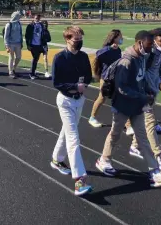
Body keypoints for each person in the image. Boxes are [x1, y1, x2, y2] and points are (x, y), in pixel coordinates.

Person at [95, 30, 161, 188]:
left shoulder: (141, 58)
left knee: (142, 138)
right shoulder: (127, 61)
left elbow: (140, 79)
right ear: (140, 43)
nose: (152, 47)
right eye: (149, 44)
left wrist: (147, 92)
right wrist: (143, 97)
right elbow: (122, 88)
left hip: (137, 105)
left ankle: (155, 172)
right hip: (123, 105)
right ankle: (104, 159)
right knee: (115, 135)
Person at [50, 26, 93, 196]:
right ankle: (79, 179)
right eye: (76, 39)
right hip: (66, 101)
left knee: (66, 131)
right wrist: (75, 86)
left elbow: (88, 76)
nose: (79, 42)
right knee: (73, 138)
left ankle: (57, 159)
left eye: (81, 39)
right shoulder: (59, 58)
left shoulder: (83, 57)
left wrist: (84, 86)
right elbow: (57, 82)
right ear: (67, 39)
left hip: (79, 101)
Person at [128, 28, 161, 171]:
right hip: (143, 93)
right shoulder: (147, 53)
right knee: (150, 123)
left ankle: (134, 146)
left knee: (143, 121)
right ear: (154, 40)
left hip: (153, 91)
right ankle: (159, 155)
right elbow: (136, 70)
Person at [88, 30, 123, 128]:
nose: (122, 39)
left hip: (116, 77)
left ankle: (126, 123)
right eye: (120, 37)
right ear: (114, 38)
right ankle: (92, 117)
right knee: (102, 98)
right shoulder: (107, 49)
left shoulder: (118, 50)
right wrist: (109, 48)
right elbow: (98, 54)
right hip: (106, 78)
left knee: (120, 98)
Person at [25, 14, 46, 80]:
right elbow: (27, 36)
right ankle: (32, 73)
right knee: (35, 58)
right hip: (33, 44)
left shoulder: (41, 25)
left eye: (38, 18)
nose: (37, 19)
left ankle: (33, 72)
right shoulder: (30, 25)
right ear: (33, 18)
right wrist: (28, 45)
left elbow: (43, 34)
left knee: (36, 59)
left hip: (40, 44)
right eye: (36, 18)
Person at [4, 11, 23, 79]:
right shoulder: (9, 24)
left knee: (19, 57)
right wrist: (7, 46)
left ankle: (13, 68)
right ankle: (10, 72)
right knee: (11, 57)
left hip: (18, 43)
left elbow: (20, 34)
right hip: (11, 44)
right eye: (19, 16)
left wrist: (21, 42)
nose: (20, 17)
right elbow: (6, 36)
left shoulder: (19, 23)